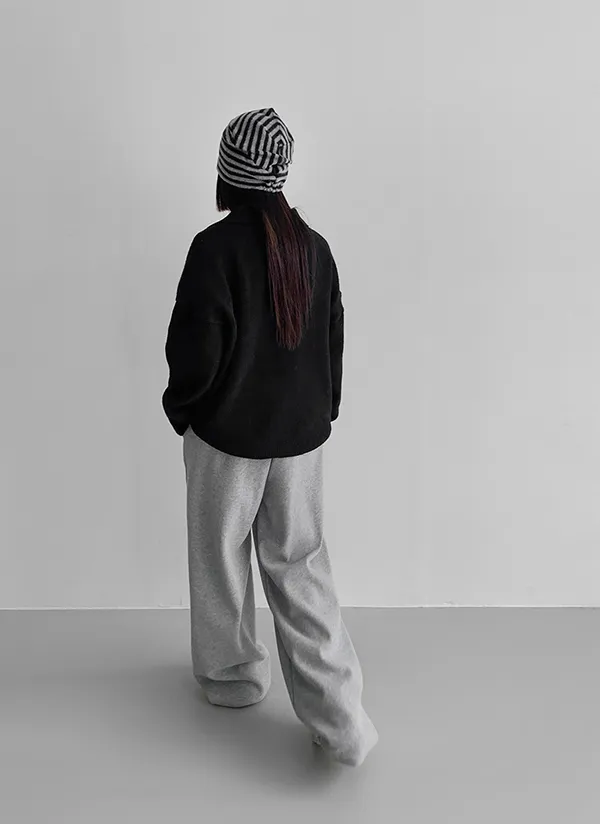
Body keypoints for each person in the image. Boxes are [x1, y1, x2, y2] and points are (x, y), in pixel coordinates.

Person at [161, 107, 378, 767]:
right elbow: (333, 342)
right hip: (301, 442)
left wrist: (182, 409)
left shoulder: (213, 249)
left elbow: (196, 350)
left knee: (218, 559)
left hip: (227, 441)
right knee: (300, 566)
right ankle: (343, 723)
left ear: (228, 171)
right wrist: (322, 411)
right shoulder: (315, 247)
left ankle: (233, 680)